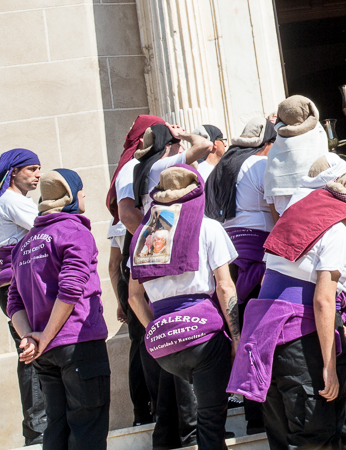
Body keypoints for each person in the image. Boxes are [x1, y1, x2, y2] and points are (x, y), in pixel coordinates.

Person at [229, 169, 346, 448]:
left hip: (266, 340)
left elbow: (274, 279)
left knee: (282, 439)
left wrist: (337, 326)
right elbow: (322, 299)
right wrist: (330, 367)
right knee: (314, 437)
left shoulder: (292, 217)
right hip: (299, 343)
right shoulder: (335, 230)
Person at [127, 165, 240, 450]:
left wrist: (157, 326)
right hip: (203, 338)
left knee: (195, 414)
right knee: (211, 421)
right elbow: (226, 287)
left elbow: (133, 297)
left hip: (162, 345)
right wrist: (237, 338)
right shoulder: (208, 227)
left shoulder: (144, 237)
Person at [8, 169, 110, 450]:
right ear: (71, 196)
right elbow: (71, 289)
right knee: (87, 427)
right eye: (81, 190)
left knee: (56, 428)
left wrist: (31, 336)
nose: (84, 195)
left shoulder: (24, 243)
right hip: (77, 342)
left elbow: (13, 301)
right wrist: (46, 335)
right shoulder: (75, 231)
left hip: (45, 351)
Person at [133, 122, 211, 447]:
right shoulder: (164, 165)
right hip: (174, 241)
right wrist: (184, 136)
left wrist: (152, 326)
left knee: (166, 361)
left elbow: (133, 295)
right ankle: (192, 432)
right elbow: (204, 145)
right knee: (187, 355)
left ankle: (166, 433)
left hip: (151, 247)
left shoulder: (137, 169)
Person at [202, 116, 277, 434]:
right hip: (257, 253)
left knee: (245, 335)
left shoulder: (219, 170)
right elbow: (276, 212)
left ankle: (253, 416)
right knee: (263, 335)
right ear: (267, 144)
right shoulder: (259, 166)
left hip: (228, 257)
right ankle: (266, 414)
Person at [105, 115, 164, 427]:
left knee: (144, 340)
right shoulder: (133, 169)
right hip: (147, 260)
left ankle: (149, 412)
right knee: (147, 340)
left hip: (139, 265)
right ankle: (149, 412)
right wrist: (161, 241)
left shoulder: (134, 168)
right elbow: (127, 217)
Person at [0, 149, 47, 444]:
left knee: (30, 348)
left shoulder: (11, 201)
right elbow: (47, 225)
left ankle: (37, 426)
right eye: (32, 169)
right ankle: (39, 427)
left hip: (13, 286)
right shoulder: (13, 201)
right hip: (18, 287)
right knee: (31, 349)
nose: (38, 174)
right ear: (14, 172)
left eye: (39, 169)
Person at [264, 95, 329, 218]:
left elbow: (272, 205)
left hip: (286, 228)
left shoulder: (273, 155)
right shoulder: (318, 141)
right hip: (318, 223)